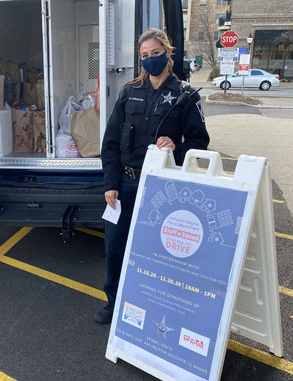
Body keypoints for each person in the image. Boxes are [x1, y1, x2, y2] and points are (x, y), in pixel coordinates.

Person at [96, 29, 210, 324]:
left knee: (155, 252)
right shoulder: (128, 91)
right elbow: (109, 144)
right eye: (144, 56)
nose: (149, 60)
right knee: (115, 248)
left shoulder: (185, 95)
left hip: (163, 187)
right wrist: (110, 183)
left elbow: (200, 142)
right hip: (125, 183)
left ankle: (154, 306)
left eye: (155, 54)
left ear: (168, 53)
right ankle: (114, 301)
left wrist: (178, 147)